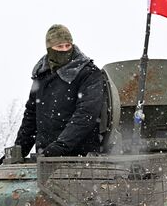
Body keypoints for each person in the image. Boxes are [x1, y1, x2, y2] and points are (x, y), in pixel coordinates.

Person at [14, 24, 104, 158]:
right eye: (59, 47)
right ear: (50, 49)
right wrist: (18, 152)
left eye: (68, 46)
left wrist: (62, 145)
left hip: (80, 156)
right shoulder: (41, 75)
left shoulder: (88, 73)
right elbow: (31, 117)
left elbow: (86, 113)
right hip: (46, 156)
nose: (64, 50)